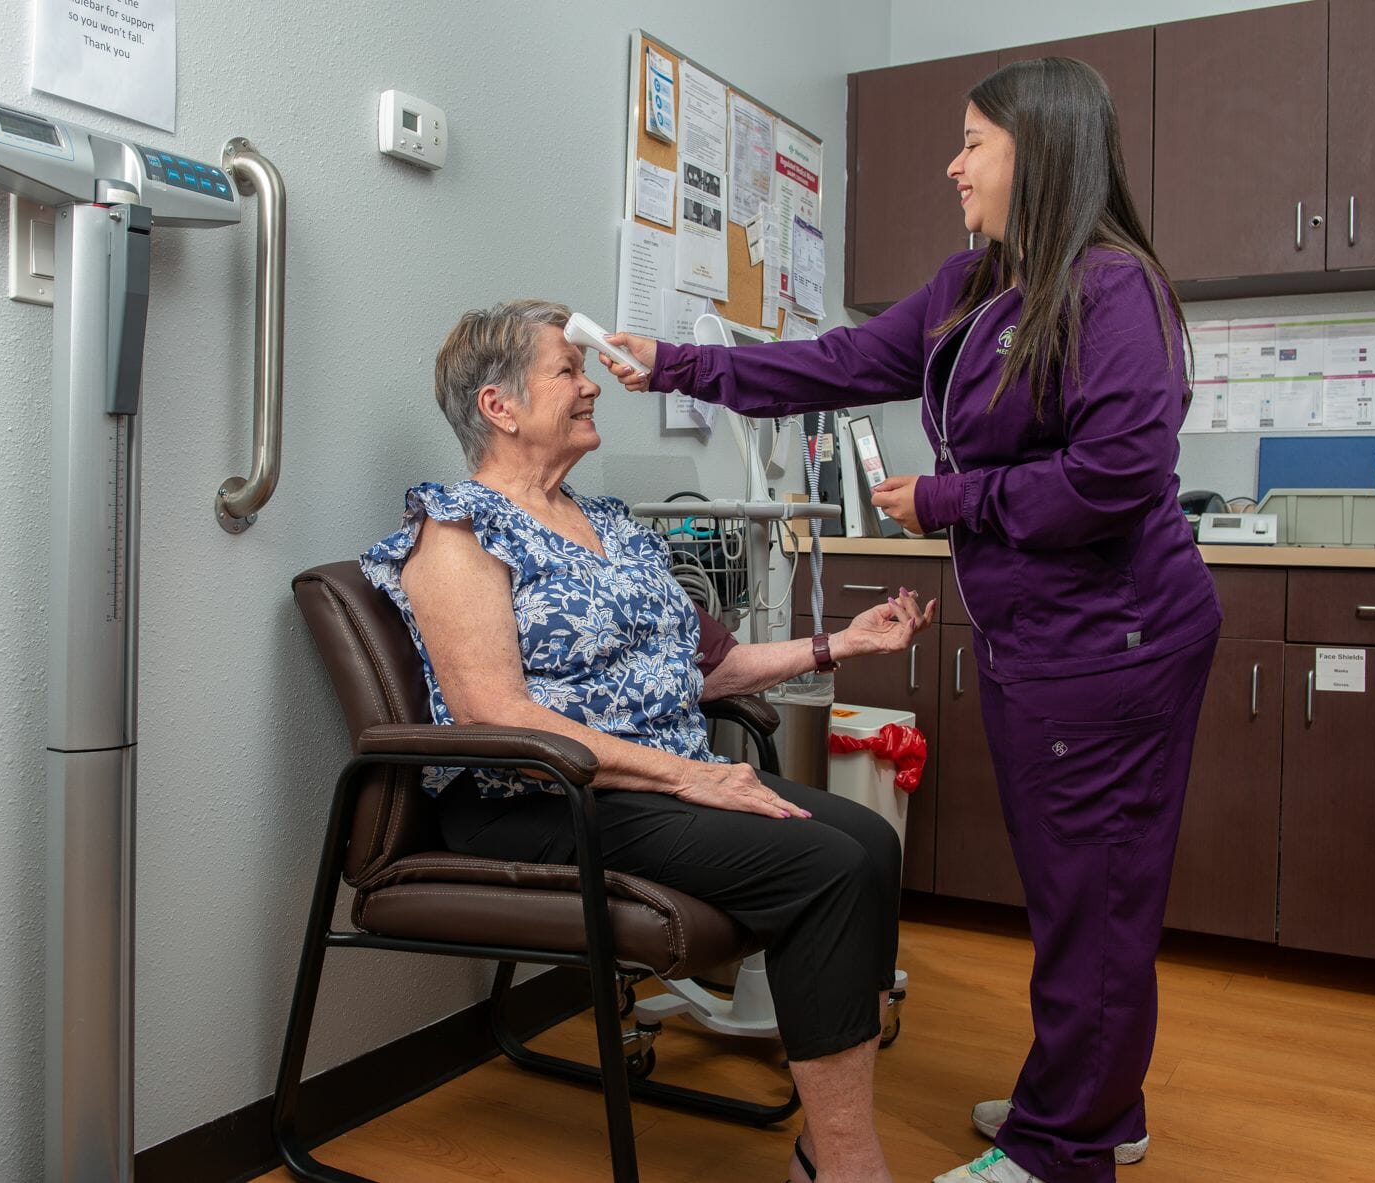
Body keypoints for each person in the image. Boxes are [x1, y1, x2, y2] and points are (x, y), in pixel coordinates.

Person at [599, 57, 1222, 1183]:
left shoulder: (1108, 287)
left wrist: (943, 498)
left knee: (1094, 896)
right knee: (1077, 888)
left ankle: (1061, 1150)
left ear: (1038, 153)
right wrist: (677, 365)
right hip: (1040, 643)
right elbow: (833, 364)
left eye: (973, 141)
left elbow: (1114, 478)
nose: (954, 163)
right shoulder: (972, 286)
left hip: (1114, 645)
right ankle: (1095, 1104)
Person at [361, 298, 938, 1183]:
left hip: (649, 784)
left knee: (865, 840)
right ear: (499, 407)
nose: (592, 384)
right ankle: (848, 1163)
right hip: (545, 798)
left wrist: (844, 643)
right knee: (823, 865)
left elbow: (714, 665)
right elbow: (495, 712)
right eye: (568, 370)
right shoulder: (459, 533)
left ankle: (827, 1138)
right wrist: (686, 777)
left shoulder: (614, 527)